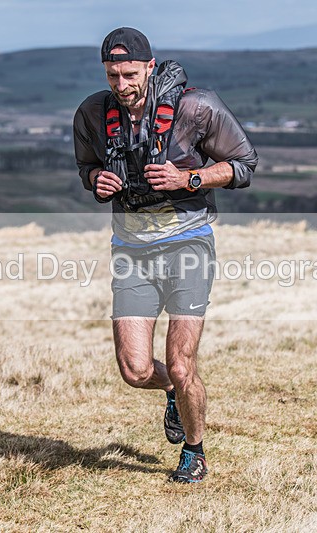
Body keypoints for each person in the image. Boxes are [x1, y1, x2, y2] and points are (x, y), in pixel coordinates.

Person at [73, 27, 257, 483]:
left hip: (188, 245)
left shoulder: (197, 107)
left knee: (181, 361)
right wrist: (96, 181)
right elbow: (86, 166)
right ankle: (175, 391)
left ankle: (194, 452)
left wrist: (188, 180)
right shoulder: (92, 113)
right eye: (113, 75)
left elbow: (244, 166)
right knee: (135, 370)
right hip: (131, 250)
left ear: (150, 67)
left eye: (130, 74)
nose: (122, 85)